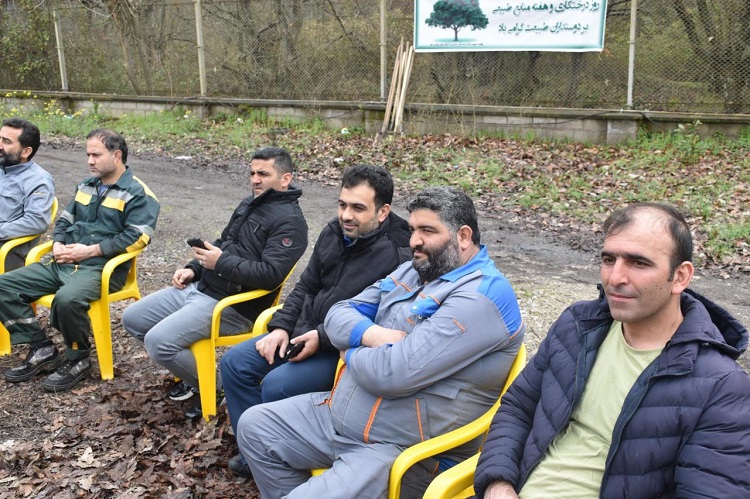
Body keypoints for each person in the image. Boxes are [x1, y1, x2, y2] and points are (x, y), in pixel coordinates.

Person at [238, 186, 525, 499]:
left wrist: (348, 350)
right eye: (413, 229)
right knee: (255, 427)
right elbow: (338, 313)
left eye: (428, 231)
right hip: (340, 419)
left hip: (402, 450)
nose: (414, 240)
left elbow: (393, 374)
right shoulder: (416, 269)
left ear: (464, 236)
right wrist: (371, 335)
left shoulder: (480, 297)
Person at [474, 203, 750, 498]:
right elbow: (518, 407)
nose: (615, 278)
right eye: (609, 259)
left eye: (638, 263)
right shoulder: (577, 326)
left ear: (680, 277)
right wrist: (498, 482)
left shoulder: (721, 385)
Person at [220, 164, 412, 478]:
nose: (346, 215)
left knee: (278, 386)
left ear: (383, 212)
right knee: (235, 364)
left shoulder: (398, 254)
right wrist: (281, 327)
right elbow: (307, 284)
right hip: (302, 332)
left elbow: (380, 318)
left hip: (341, 352)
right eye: (342, 204)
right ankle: (255, 453)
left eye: (358, 208)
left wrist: (321, 338)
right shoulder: (334, 232)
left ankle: (284, 462)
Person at [121, 146, 308, 419]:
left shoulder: (291, 223)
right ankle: (193, 373)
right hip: (202, 288)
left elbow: (270, 275)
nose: (255, 180)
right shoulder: (249, 203)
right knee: (133, 318)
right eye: (252, 173)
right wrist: (193, 269)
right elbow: (223, 243)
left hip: (233, 307)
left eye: (263, 174)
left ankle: (217, 386)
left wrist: (220, 263)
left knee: (159, 342)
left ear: (285, 178)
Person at [0, 128, 160, 391]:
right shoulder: (86, 186)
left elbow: (137, 238)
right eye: (88, 155)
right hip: (64, 262)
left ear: (116, 156)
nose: (89, 161)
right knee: (3, 286)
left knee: (67, 299)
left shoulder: (137, 193)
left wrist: (90, 251)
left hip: (101, 269)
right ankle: (41, 347)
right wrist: (59, 244)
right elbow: (65, 221)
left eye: (96, 155)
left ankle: (78, 357)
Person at [0, 118, 56, 271]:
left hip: (9, 252)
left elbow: (36, 221)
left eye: (6, 142)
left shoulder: (38, 180)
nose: (0, 145)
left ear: (26, 152)